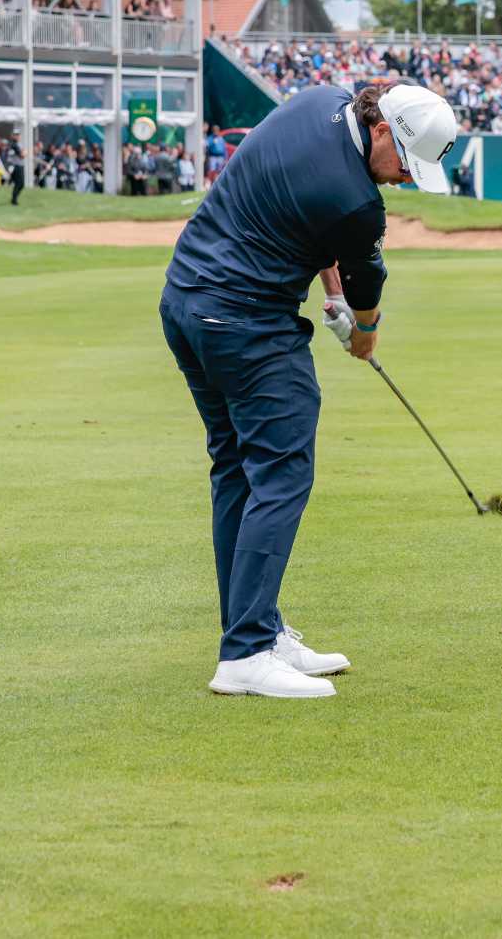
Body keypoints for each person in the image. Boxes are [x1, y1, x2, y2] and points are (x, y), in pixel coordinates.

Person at [160, 81, 458, 700]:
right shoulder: (358, 204)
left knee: (237, 470)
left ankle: (258, 630)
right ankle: (245, 654)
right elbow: (366, 284)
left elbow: (313, 226)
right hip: (244, 321)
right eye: (406, 162)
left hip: (186, 303)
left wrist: (331, 295)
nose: (406, 177)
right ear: (382, 130)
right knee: (282, 472)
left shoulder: (318, 100)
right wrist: (363, 333)